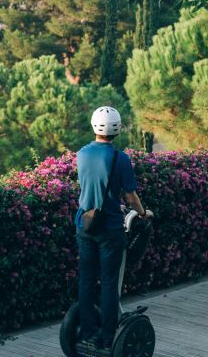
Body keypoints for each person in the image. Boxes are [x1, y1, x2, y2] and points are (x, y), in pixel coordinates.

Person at [75, 106, 149, 351]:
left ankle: (86, 332)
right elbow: (130, 195)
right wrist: (141, 213)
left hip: (85, 225)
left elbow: (90, 186)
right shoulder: (121, 158)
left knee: (86, 280)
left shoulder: (82, 154)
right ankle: (107, 337)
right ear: (117, 128)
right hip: (110, 230)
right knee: (108, 283)